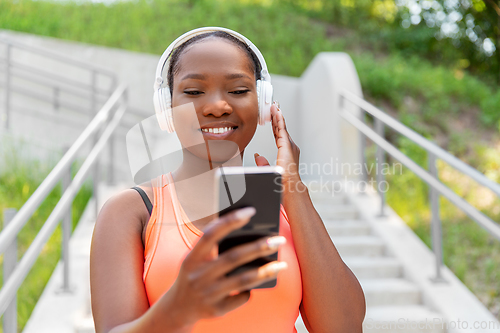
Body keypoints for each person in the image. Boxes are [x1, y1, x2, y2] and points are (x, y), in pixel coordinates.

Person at [90, 27, 365, 333]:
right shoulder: (132, 211)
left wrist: (293, 190)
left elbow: (346, 327)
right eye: (194, 92)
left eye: (237, 91)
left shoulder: (286, 206)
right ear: (166, 107)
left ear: (263, 103)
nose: (218, 106)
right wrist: (177, 307)